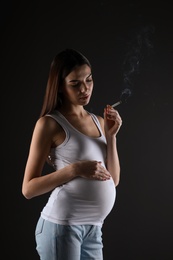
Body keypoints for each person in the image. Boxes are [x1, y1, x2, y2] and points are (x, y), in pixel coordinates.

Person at [22, 48, 122, 260]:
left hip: (94, 229)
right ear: (60, 87)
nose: (85, 89)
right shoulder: (49, 124)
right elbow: (28, 189)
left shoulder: (100, 122)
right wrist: (75, 169)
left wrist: (111, 137)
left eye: (89, 80)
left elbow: (113, 180)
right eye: (75, 84)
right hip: (62, 227)